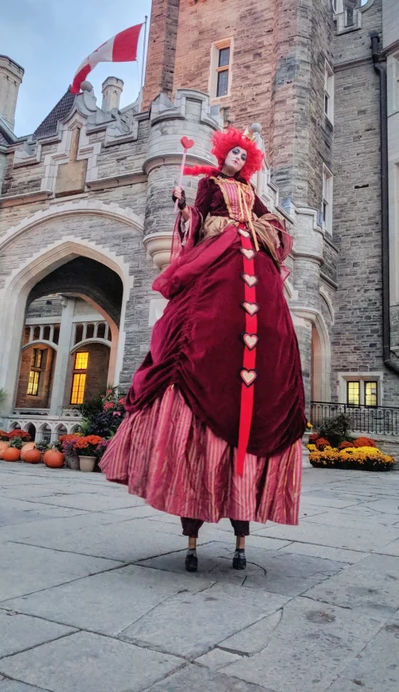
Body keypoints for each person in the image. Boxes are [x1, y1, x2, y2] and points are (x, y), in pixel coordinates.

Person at [100, 127, 306, 572]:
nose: (236, 157)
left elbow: (274, 225)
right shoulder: (210, 185)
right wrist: (185, 209)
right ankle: (192, 526)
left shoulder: (252, 193)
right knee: (195, 331)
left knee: (266, 340)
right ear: (222, 155)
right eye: (231, 151)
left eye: (242, 153)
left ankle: (241, 534)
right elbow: (200, 221)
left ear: (247, 161)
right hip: (220, 260)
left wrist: (260, 225)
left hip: (254, 266)